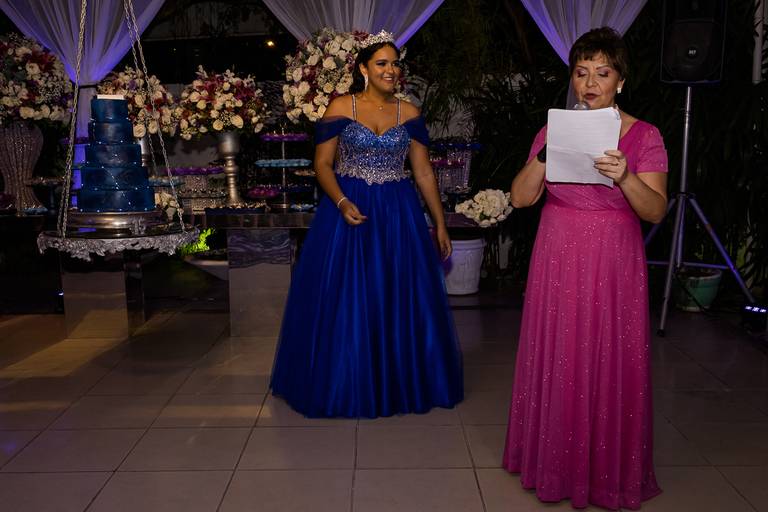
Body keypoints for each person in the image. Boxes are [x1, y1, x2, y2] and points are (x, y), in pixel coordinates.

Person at [503, 27, 667, 510]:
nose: (590, 83)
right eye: (581, 72)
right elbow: (520, 198)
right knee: (558, 354)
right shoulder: (550, 129)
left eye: (602, 72)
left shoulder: (645, 135)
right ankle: (552, 464)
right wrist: (546, 152)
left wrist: (626, 176)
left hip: (613, 260)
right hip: (557, 253)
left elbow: (655, 210)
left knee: (606, 355)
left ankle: (604, 473)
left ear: (621, 81)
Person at [270, 31, 463, 418]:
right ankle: (346, 379)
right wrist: (341, 201)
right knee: (347, 295)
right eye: (382, 63)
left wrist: (440, 223)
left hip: (397, 210)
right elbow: (322, 164)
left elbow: (423, 172)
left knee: (398, 293)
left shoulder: (409, 113)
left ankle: (398, 379)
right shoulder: (342, 106)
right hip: (348, 207)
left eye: (395, 64)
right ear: (363, 68)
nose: (391, 70)